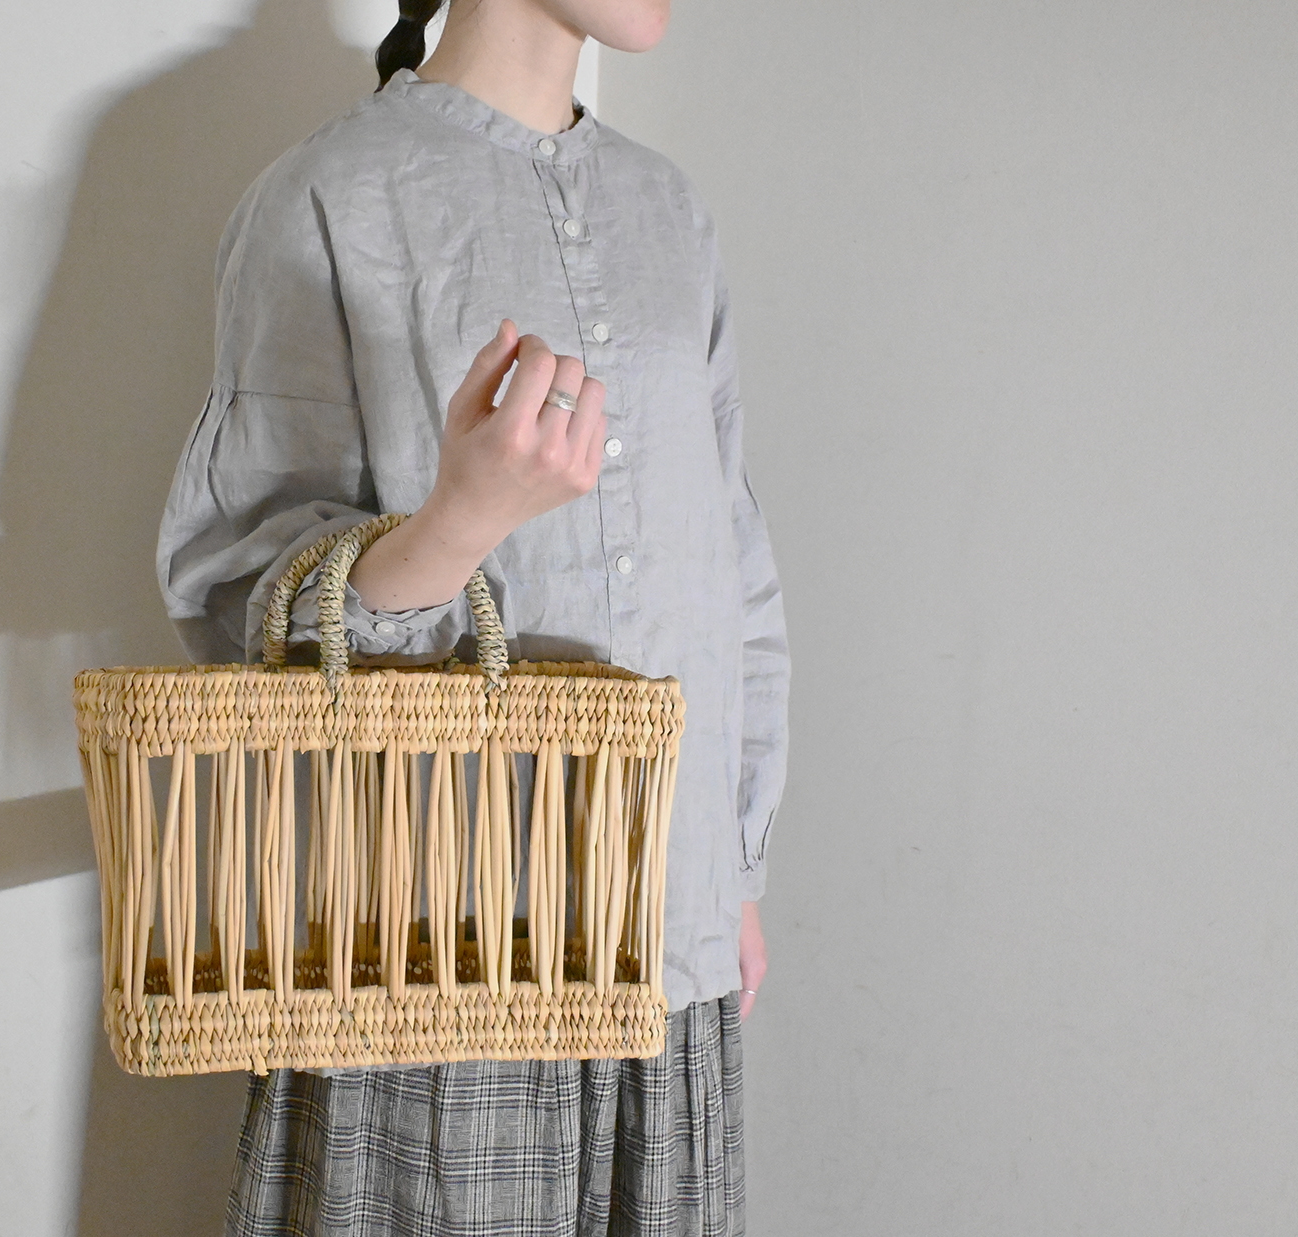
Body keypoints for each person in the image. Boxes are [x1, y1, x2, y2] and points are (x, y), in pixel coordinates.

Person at [156, 0, 789, 1231]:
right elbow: (238, 604)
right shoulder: (326, 198)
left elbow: (732, 561)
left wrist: (735, 866)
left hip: (671, 949)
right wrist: (461, 519)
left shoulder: (670, 212)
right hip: (439, 950)